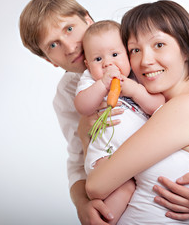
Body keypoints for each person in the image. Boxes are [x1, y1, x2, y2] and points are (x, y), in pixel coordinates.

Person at [19, 0, 189, 225]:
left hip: (187, 202)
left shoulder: (140, 40)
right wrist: (81, 203)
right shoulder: (68, 94)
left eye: (69, 29)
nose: (69, 46)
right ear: (50, 60)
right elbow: (78, 162)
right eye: (53, 45)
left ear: (87, 19)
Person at [85, 0, 189, 224]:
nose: (145, 61)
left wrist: (90, 137)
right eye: (135, 49)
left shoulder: (186, 108)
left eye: (159, 45)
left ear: (185, 48)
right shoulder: (172, 105)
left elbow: (96, 185)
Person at [74, 20, 165, 224]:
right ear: (88, 65)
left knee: (140, 184)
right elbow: (83, 106)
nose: (108, 63)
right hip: (105, 155)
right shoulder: (90, 81)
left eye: (115, 55)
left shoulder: (137, 77)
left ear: (127, 54)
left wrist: (135, 90)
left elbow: (158, 105)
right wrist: (102, 85)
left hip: (136, 155)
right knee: (124, 188)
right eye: (98, 59)